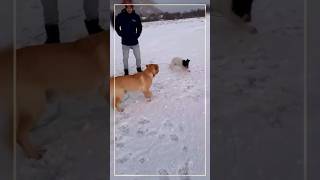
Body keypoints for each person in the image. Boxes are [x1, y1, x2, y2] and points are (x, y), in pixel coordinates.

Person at [115, 4, 143, 75]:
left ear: (132, 8)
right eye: (128, 7)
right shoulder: (120, 16)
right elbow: (116, 26)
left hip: (134, 41)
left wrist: (137, 35)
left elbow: (139, 27)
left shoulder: (136, 16)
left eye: (130, 7)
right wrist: (120, 33)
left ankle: (139, 69)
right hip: (125, 42)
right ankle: (126, 71)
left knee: (138, 57)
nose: (129, 9)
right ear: (126, 8)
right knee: (125, 58)